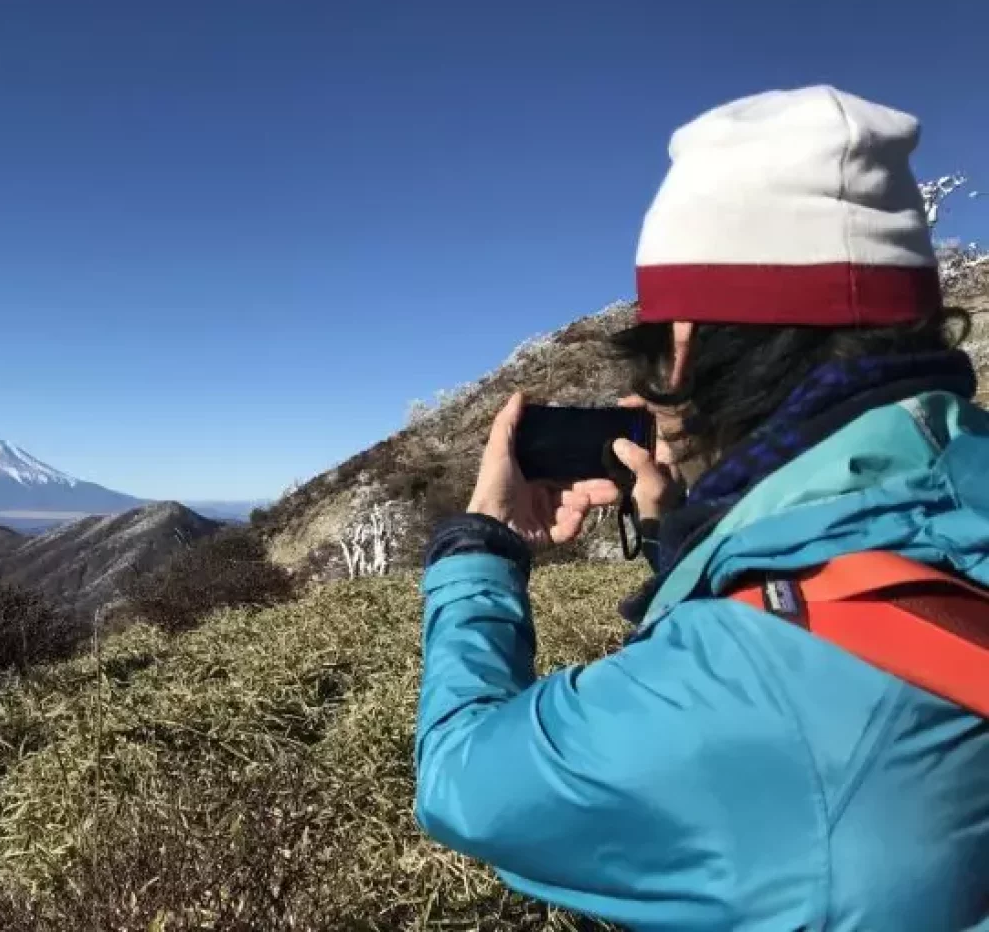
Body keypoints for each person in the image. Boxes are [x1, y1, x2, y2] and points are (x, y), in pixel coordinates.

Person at [413, 86, 988, 931]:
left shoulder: (751, 685)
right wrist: (681, 532)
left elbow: (463, 783)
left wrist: (481, 547)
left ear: (682, 348)